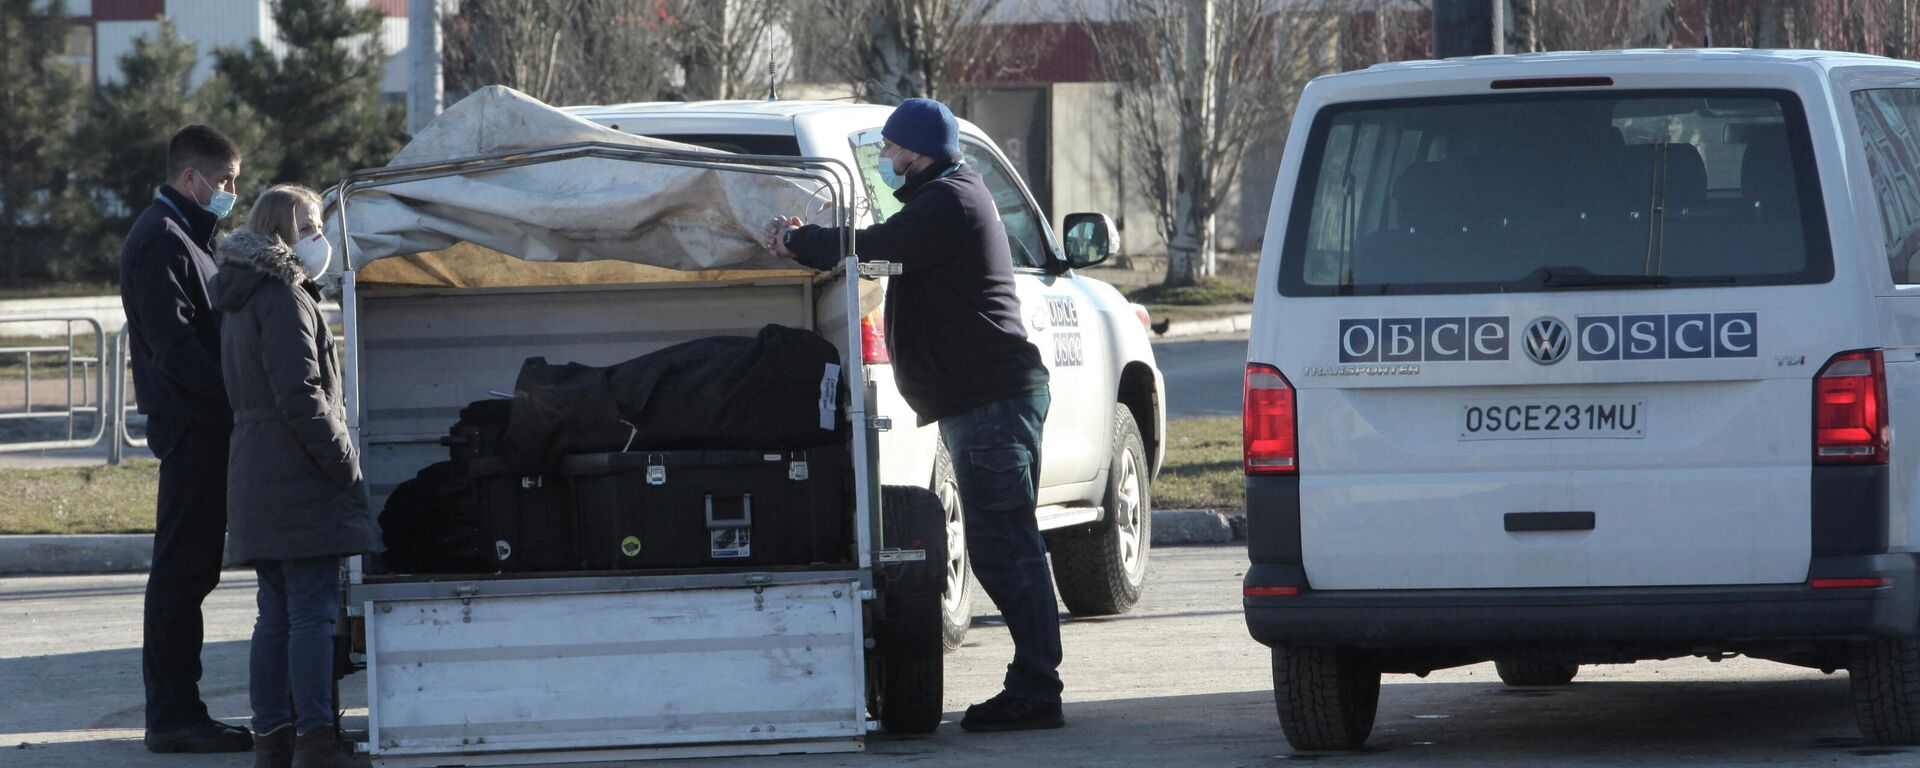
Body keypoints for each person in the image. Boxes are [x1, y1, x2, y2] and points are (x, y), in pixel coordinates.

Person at [764, 98, 1061, 732]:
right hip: (983, 402)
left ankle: (1037, 689)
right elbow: (883, 245)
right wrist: (808, 239)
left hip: (991, 405)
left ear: (918, 151)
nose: (887, 159)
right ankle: (1035, 683)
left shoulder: (948, 202)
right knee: (1005, 546)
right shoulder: (947, 196)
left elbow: (874, 244)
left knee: (1007, 549)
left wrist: (799, 241)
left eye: (894, 149)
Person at [207, 185, 381, 768]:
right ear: (283, 229)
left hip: (259, 466)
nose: (320, 237)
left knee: (276, 613)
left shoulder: (242, 294)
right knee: (309, 614)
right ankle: (315, 740)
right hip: (295, 469)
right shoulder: (283, 297)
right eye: (310, 224)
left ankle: (273, 740)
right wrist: (344, 460)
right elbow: (301, 394)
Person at [120, 124, 252, 754]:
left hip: (206, 427)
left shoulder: (191, 237)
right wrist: (239, 398)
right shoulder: (162, 240)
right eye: (225, 181)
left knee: (191, 572)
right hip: (193, 429)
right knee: (180, 574)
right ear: (190, 178)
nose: (231, 192)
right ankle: (173, 715)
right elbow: (176, 349)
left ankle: (180, 710)